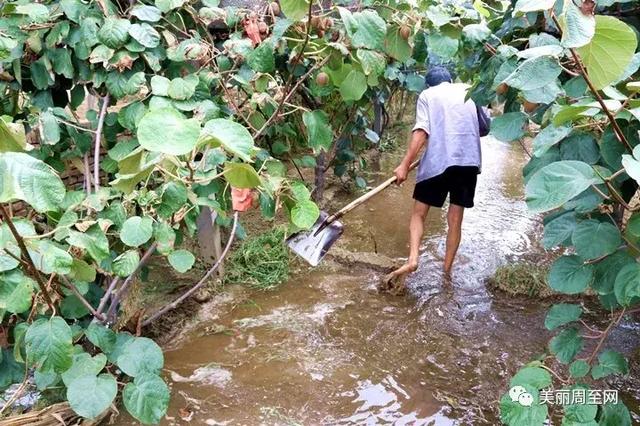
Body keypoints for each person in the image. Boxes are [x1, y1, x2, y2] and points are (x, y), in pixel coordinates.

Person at [387, 66, 488, 283]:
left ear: (429, 84)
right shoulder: (470, 90)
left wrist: (404, 165)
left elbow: (422, 131)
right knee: (455, 219)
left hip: (439, 161)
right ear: (451, 80)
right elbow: (485, 127)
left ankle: (413, 259)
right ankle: (447, 271)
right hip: (468, 162)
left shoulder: (427, 95)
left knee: (419, 214)